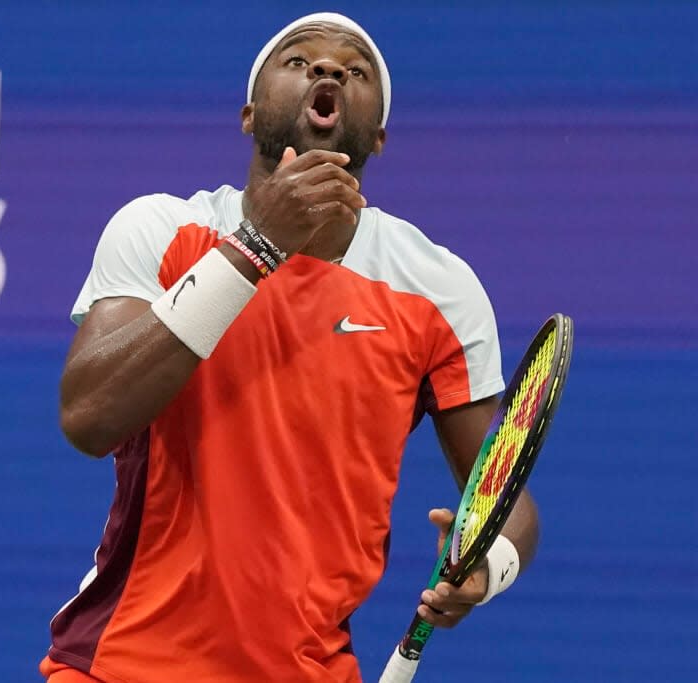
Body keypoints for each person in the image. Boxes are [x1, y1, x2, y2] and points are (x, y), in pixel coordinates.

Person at [41, 12, 538, 683]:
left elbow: (508, 500)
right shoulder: (162, 229)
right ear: (250, 114)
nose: (329, 70)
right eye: (299, 61)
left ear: (380, 136)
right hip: (123, 663)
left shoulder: (437, 290)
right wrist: (254, 247)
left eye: (355, 69)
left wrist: (487, 566)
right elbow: (89, 416)